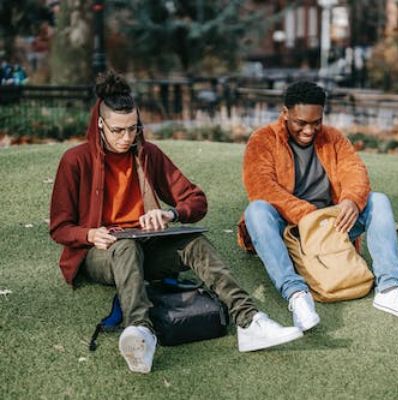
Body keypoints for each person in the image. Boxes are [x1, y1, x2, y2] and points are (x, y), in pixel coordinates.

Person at [49, 71, 303, 374]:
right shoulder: (75, 160)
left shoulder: (148, 154)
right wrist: (90, 234)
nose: (126, 138)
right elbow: (60, 227)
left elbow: (196, 200)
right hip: (102, 252)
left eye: (133, 128)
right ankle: (140, 333)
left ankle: (250, 322)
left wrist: (171, 214)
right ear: (100, 124)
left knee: (194, 242)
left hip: (147, 245)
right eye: (117, 130)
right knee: (125, 247)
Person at [238, 81, 398, 332]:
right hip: (291, 228)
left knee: (378, 200)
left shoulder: (334, 137)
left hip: (333, 225)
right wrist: (310, 217)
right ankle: (297, 295)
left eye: (316, 122)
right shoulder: (262, 139)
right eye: (301, 123)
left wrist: (351, 199)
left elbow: (354, 171)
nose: (309, 130)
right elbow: (261, 187)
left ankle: (390, 289)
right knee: (256, 211)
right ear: (285, 113)